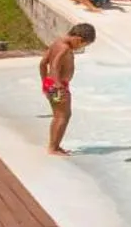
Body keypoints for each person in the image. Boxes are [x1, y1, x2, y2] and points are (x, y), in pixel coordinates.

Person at [39, 23, 95, 155]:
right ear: (78, 39)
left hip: (50, 83)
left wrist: (45, 83)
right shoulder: (64, 48)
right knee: (63, 116)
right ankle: (53, 148)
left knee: (59, 116)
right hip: (58, 85)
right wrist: (58, 85)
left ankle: (54, 146)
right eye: (83, 45)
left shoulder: (57, 43)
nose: (79, 48)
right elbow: (54, 66)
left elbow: (43, 63)